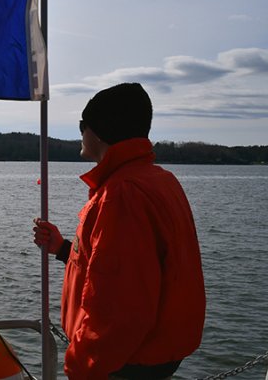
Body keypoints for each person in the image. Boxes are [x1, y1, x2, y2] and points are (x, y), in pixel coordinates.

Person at [33, 83, 205, 379]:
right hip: (148, 357)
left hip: (123, 365)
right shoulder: (159, 180)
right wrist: (63, 249)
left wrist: (81, 365)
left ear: (98, 131)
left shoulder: (123, 193)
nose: (81, 133)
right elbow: (129, 269)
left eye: (82, 125)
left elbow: (122, 309)